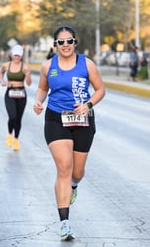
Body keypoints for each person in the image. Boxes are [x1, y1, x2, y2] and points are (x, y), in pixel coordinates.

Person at [33, 25, 105, 241]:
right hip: (56, 119)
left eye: (69, 41)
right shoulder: (48, 66)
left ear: (75, 42)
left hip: (83, 120)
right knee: (64, 168)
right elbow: (43, 89)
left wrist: (88, 104)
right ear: (55, 45)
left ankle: (73, 186)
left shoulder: (87, 64)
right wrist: (38, 101)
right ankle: (64, 223)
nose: (65, 45)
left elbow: (100, 89)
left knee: (77, 173)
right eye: (61, 42)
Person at [0, 45, 32, 151]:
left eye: (19, 55)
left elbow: (29, 83)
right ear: (12, 55)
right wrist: (2, 80)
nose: (17, 57)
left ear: (21, 56)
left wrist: (27, 74)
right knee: (12, 116)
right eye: (15, 55)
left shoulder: (25, 66)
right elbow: (1, 72)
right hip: (10, 93)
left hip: (21, 93)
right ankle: (9, 135)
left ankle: (16, 140)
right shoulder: (6, 65)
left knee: (18, 118)